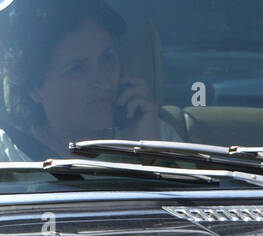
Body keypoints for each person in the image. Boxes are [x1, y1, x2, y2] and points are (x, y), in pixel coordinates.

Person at [0, 0, 181, 162]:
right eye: (77, 68)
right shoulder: (7, 156)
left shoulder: (153, 132)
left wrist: (147, 156)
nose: (104, 81)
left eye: (108, 57)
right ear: (33, 87)